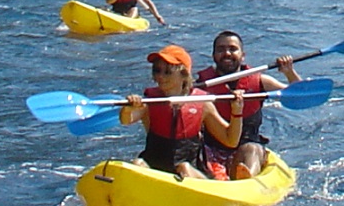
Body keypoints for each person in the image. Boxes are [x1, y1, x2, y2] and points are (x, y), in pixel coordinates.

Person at [118, 45, 242, 179]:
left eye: (167, 72)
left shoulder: (203, 104)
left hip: (190, 170)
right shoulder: (149, 102)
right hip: (156, 168)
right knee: (138, 163)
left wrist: (237, 111)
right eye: (157, 70)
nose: (160, 76)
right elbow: (126, 120)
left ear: (183, 75)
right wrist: (128, 108)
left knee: (184, 168)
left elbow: (231, 140)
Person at [195, 31, 298, 180]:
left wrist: (289, 73)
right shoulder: (200, 86)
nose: (227, 53)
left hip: (247, 150)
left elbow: (297, 97)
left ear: (242, 55)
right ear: (213, 56)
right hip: (211, 151)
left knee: (251, 148)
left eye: (232, 49)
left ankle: (246, 179)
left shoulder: (261, 81)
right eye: (221, 49)